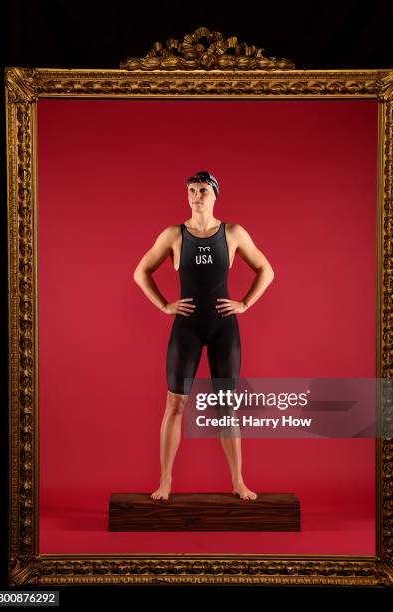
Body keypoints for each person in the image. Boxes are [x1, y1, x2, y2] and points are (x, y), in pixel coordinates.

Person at [133, 171, 274, 500]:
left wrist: (245, 303)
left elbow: (267, 269)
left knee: (227, 407)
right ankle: (165, 481)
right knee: (174, 403)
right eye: (192, 190)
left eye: (203, 190)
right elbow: (141, 271)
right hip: (188, 328)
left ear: (215, 196)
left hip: (224, 326)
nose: (197, 196)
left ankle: (238, 481)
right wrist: (164, 305)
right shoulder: (173, 235)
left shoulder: (233, 233)